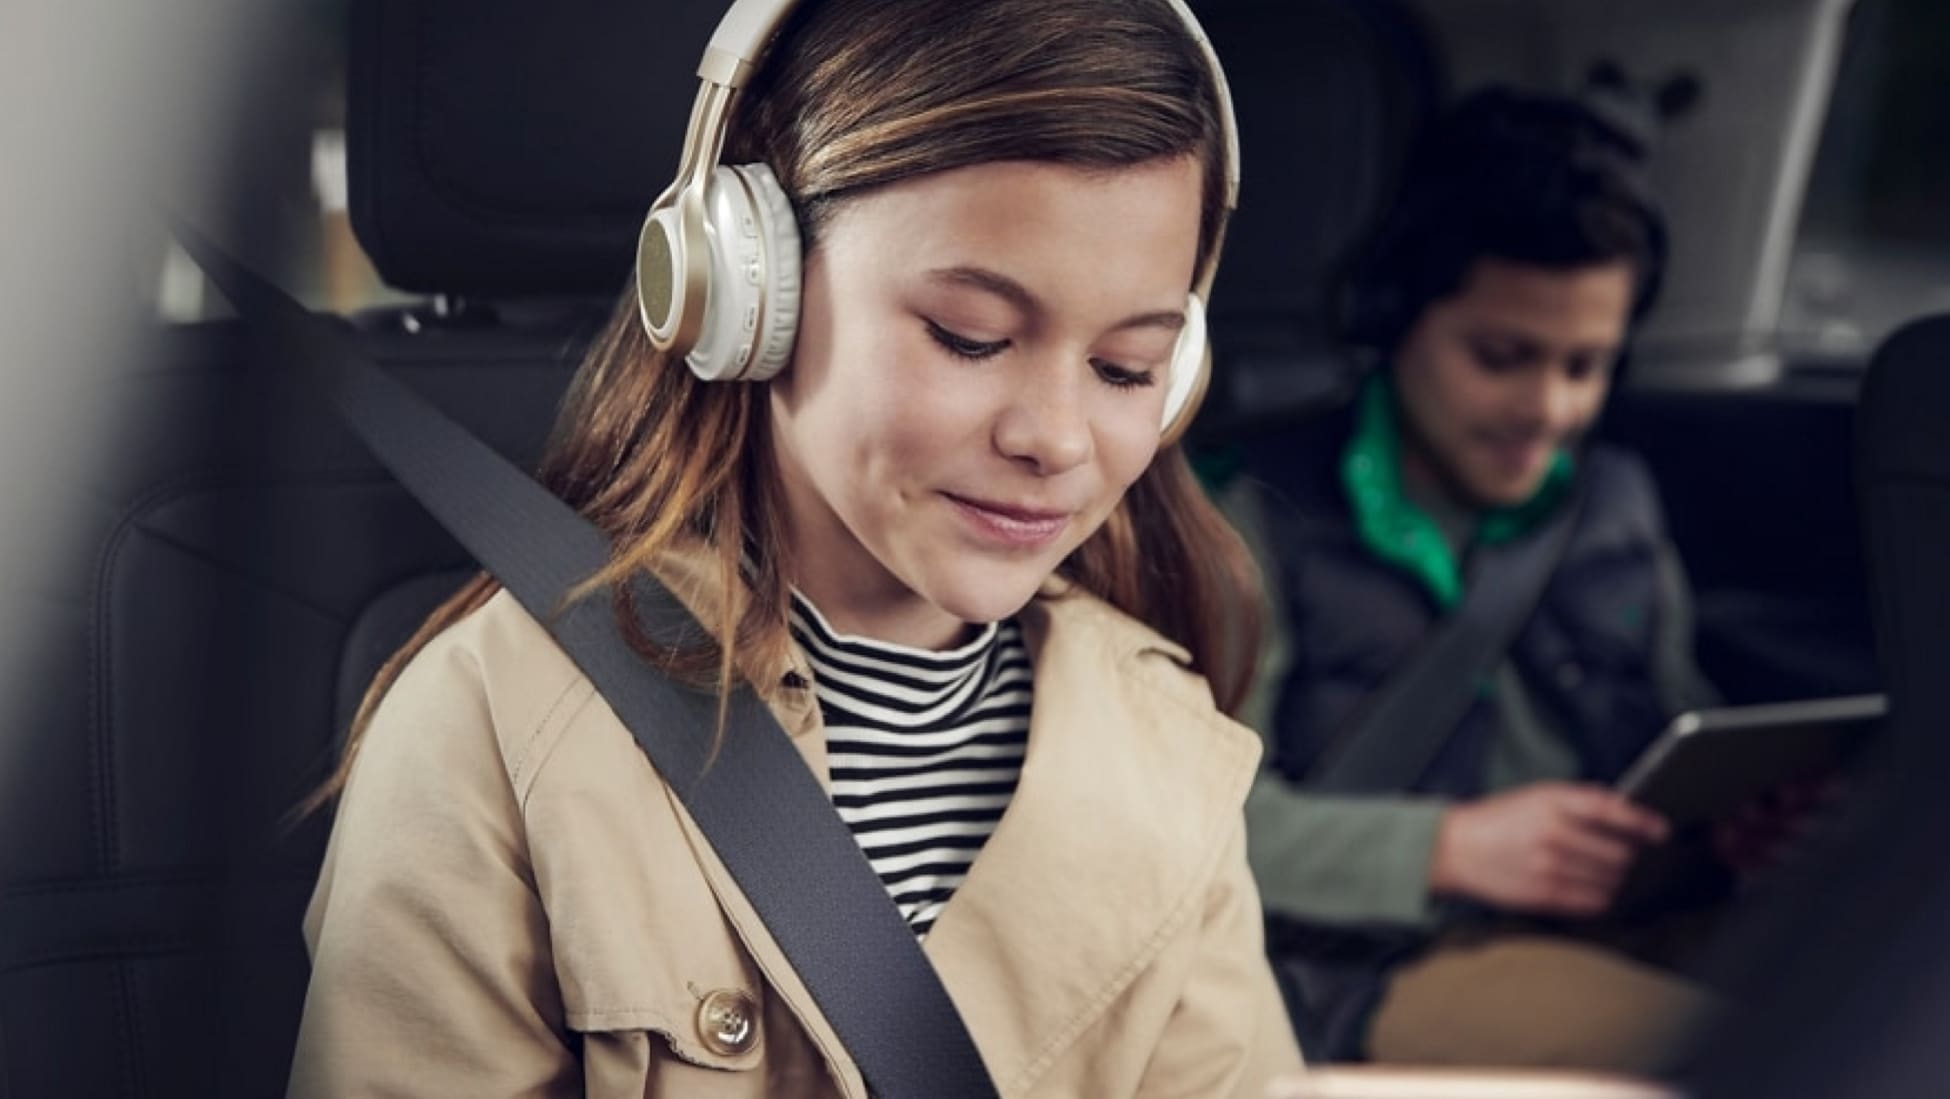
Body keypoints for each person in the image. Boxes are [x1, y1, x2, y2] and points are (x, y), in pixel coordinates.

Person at [286, 0, 1304, 1095]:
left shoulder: (1168, 759)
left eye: (1127, 369)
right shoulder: (501, 724)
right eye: (970, 338)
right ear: (748, 288)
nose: (1054, 439)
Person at [1239, 87, 1722, 1072]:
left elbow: (1680, 724)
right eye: (1502, 358)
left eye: (1587, 366)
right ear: (1396, 314)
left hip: (1627, 918)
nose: (1548, 410)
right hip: (1380, 958)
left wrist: (1741, 819)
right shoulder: (1247, 520)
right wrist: (1447, 850)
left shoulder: (1616, 501)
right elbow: (1182, 834)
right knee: (1738, 1053)